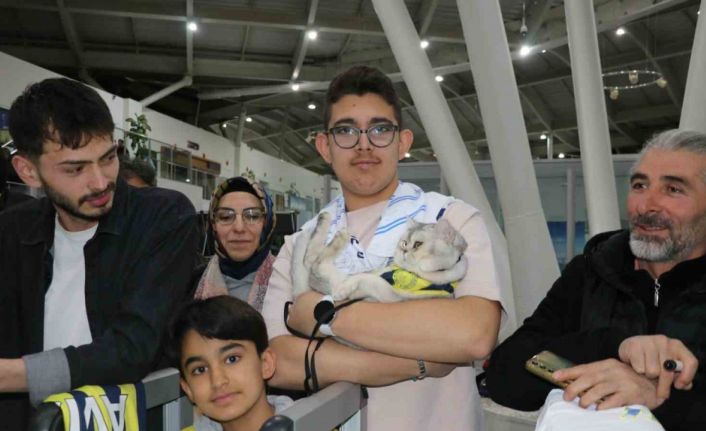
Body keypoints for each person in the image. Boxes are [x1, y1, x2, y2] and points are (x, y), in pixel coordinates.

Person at [261, 65, 505, 431]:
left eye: (379, 129)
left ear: (402, 142)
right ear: (325, 146)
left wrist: (323, 315)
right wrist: (418, 363)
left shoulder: (449, 220)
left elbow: (474, 335)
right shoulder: (301, 245)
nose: (364, 145)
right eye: (346, 130)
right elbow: (278, 361)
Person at [0, 77, 199, 430]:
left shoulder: (163, 217)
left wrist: (8, 375)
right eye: (75, 168)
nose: (100, 181)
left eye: (108, 158)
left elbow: (133, 348)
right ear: (28, 171)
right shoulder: (13, 231)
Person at [486, 129, 706, 430]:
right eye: (640, 185)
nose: (646, 206)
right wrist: (613, 346)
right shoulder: (594, 271)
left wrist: (658, 397)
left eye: (673, 189)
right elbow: (506, 375)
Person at [169, 296, 292, 431]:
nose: (218, 381)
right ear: (187, 388)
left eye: (232, 359)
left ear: (265, 363)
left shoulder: (306, 424)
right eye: (200, 369)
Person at [193, 176, 276, 312]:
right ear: (213, 224)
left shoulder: (291, 281)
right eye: (225, 216)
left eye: (252, 216)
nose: (239, 228)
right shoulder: (190, 284)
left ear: (267, 223)